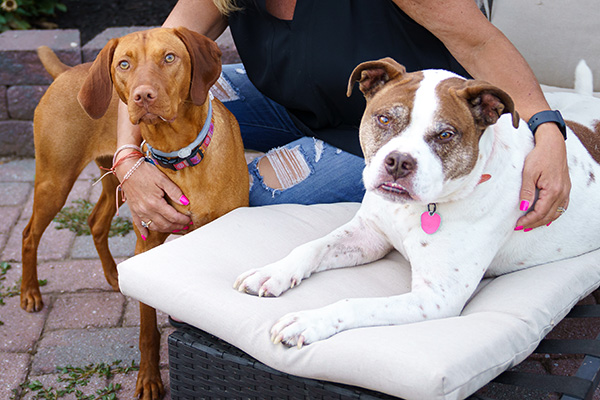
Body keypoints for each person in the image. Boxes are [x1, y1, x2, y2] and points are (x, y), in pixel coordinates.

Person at [113, 0, 571, 240]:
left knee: (235, 194)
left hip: (385, 134)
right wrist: (128, 161)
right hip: (288, 101)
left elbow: (480, 44)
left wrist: (547, 128)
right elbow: (147, 57)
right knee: (179, 92)